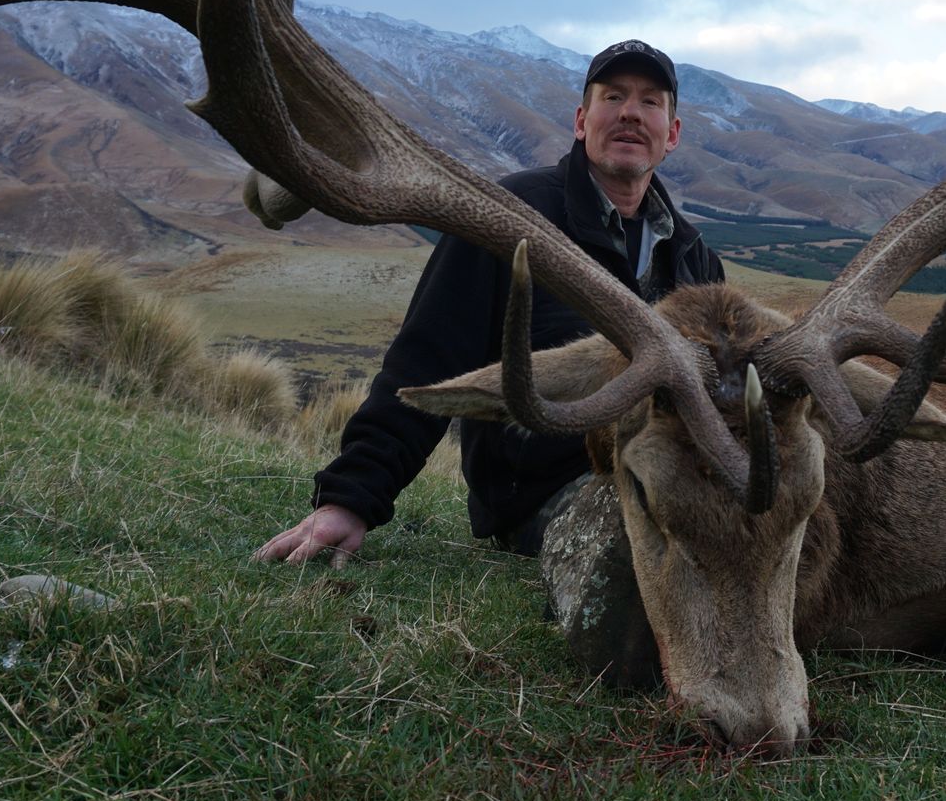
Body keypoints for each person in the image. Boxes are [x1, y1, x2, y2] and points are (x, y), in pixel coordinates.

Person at [254, 39, 724, 568]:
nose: (630, 114)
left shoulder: (694, 259)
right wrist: (350, 499)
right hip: (547, 494)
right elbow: (427, 359)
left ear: (673, 134)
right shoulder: (507, 216)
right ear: (580, 120)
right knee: (653, 562)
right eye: (612, 98)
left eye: (650, 102)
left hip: (664, 479)